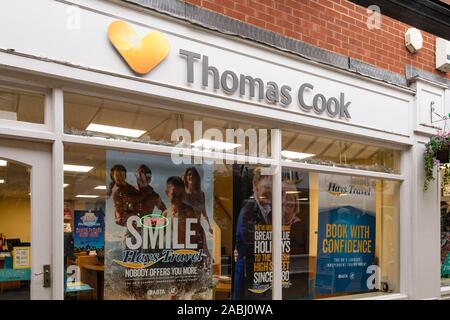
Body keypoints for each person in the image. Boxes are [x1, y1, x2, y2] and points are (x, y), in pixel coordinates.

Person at [163, 176, 208, 299]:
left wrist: (203, 254)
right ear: (167, 193)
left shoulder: (188, 211)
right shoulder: (166, 214)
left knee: (190, 291)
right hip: (173, 256)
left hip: (189, 254)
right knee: (174, 291)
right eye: (174, 194)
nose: (177, 198)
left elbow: (200, 230)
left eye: (180, 195)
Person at [233, 167, 272, 300]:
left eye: (272, 187)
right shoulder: (248, 209)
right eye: (267, 186)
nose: (270, 191)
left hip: (260, 273)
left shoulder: (270, 210)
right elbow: (250, 244)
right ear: (255, 185)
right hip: (249, 276)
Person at [183, 167, 213, 234]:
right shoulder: (182, 194)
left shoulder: (201, 194)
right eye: (189, 174)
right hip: (184, 230)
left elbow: (204, 213)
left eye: (194, 175)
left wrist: (209, 226)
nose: (191, 176)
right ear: (186, 177)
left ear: (197, 178)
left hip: (197, 229)